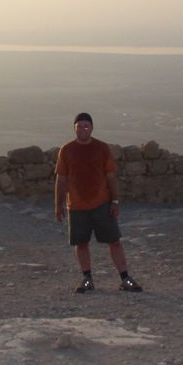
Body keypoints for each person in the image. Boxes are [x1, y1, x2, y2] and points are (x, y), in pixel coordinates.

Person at [54, 112, 142, 293]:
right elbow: (61, 179)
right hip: (76, 205)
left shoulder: (101, 148)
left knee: (114, 241)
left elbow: (111, 177)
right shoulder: (66, 150)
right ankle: (87, 278)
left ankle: (125, 278)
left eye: (86, 126)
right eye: (79, 126)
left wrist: (115, 201)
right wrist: (58, 204)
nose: (83, 129)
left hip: (102, 203)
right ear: (74, 128)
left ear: (92, 128)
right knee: (81, 243)